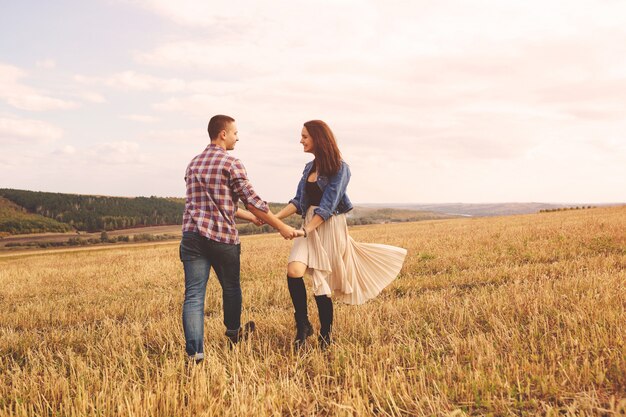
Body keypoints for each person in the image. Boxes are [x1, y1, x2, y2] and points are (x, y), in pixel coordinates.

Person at [274, 120, 407, 349]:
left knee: (321, 281)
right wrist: (273, 219)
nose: (301, 140)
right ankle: (303, 324)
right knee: (294, 271)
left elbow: (328, 206)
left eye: (305, 136)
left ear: (318, 138)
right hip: (308, 223)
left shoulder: (340, 168)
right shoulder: (308, 168)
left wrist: (305, 230)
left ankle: (326, 336)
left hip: (329, 226)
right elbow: (298, 201)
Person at [180, 114, 302, 363]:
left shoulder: (193, 164)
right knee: (231, 287)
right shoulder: (231, 163)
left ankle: (195, 355)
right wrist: (281, 227)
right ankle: (234, 335)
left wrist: (251, 218)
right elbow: (253, 202)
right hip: (222, 238)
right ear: (223, 134)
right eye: (235, 132)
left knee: (193, 296)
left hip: (192, 236)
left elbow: (220, 205)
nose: (237, 137)